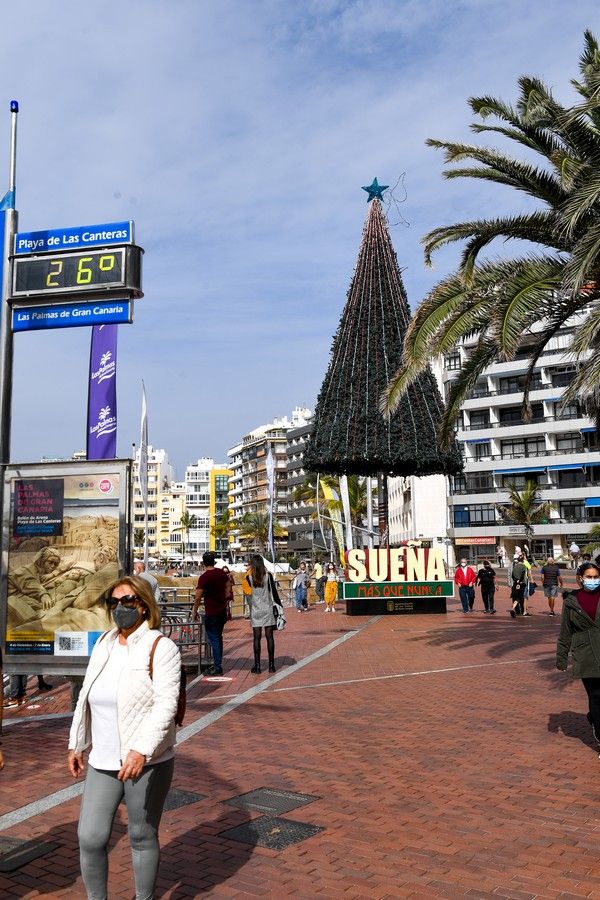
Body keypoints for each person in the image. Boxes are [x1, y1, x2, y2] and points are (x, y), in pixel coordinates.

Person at [68, 575, 181, 900]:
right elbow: (85, 696)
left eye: (128, 601)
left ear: (144, 606)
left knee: (141, 834)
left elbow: (165, 706)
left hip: (147, 761)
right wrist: (77, 742)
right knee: (90, 836)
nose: (120, 608)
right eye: (113, 603)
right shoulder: (103, 643)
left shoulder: (161, 648)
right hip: (102, 759)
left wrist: (141, 750)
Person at [556, 562, 600, 753]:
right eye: (589, 577)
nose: (593, 580)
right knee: (596, 696)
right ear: (580, 578)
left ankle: (594, 717)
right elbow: (565, 631)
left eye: (596, 577)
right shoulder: (571, 601)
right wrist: (562, 657)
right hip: (586, 654)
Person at [193, 551, 232, 676]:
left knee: (213, 638)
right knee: (218, 637)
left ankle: (217, 666)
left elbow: (198, 597)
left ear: (204, 562)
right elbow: (228, 584)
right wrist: (225, 596)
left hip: (211, 611)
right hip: (222, 609)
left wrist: (194, 611)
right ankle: (218, 663)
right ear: (214, 561)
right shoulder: (221, 573)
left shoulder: (204, 577)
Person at [244, 554, 281, 673]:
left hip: (256, 609)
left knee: (257, 638)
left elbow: (249, 591)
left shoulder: (249, 578)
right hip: (268, 608)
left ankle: (258, 666)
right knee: (269, 637)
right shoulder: (268, 576)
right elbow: (273, 592)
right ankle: (271, 665)